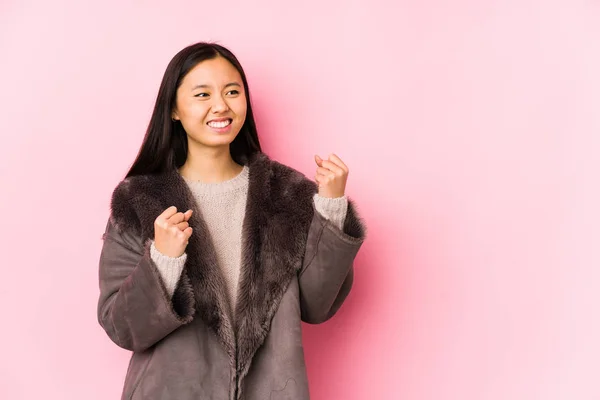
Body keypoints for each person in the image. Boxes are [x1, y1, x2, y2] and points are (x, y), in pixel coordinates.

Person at [97, 41, 366, 400]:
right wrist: (163, 261)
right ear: (174, 109)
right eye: (202, 94)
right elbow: (122, 327)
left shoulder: (286, 195)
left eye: (232, 91)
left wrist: (330, 209)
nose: (220, 105)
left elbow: (316, 307)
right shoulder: (141, 203)